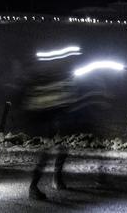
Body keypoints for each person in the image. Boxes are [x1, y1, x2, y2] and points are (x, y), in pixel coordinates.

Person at [18, 47, 80, 200]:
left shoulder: (55, 77)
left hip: (51, 121)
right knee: (46, 154)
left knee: (60, 150)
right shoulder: (55, 78)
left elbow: (63, 100)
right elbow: (55, 101)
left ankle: (55, 180)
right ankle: (35, 187)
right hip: (48, 122)